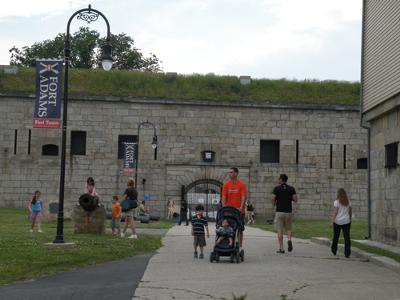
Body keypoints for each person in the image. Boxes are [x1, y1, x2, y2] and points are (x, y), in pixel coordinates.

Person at [272, 174, 298, 254]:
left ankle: (281, 248)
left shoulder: (276, 188)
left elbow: (273, 198)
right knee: (289, 228)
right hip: (288, 212)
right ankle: (289, 240)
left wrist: (274, 204)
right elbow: (295, 199)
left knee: (280, 230)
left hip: (279, 211)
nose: (278, 180)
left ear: (281, 179)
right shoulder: (291, 188)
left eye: (279, 179)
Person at [222, 167, 247, 246]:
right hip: (229, 211)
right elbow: (223, 197)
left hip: (239, 211)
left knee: (240, 229)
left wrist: (241, 207)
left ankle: (240, 245)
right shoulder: (226, 184)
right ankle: (230, 244)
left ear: (236, 173)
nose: (230, 174)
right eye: (229, 172)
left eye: (232, 172)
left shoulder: (242, 185)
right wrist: (224, 207)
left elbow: (243, 197)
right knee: (229, 229)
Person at [331, 188, 352, 258]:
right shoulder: (348, 202)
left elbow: (335, 212)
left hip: (337, 221)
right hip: (346, 221)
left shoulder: (336, 202)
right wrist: (350, 219)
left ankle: (334, 250)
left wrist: (333, 220)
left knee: (336, 237)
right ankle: (347, 253)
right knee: (347, 237)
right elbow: (350, 212)